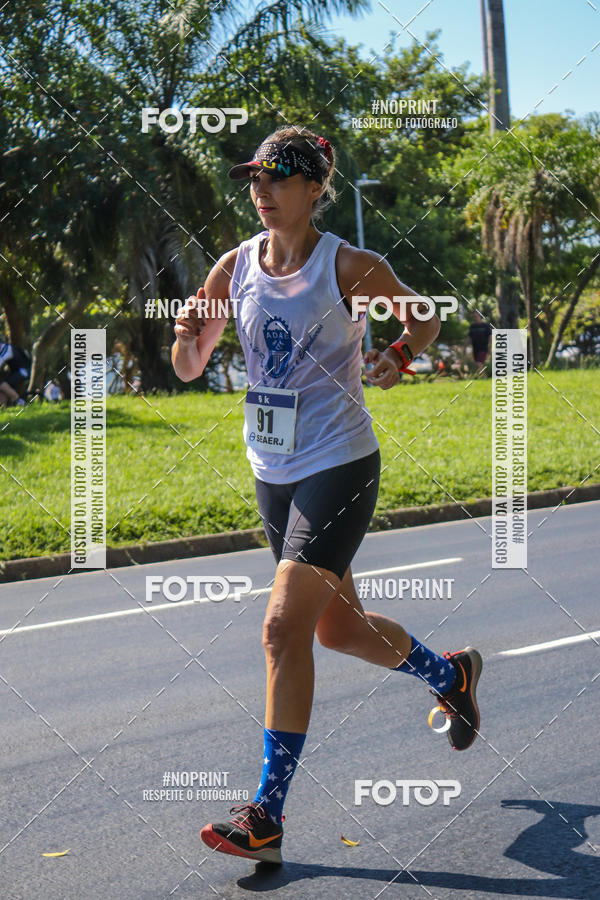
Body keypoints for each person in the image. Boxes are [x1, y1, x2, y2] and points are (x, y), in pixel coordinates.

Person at [172, 127, 482, 866]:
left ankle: (266, 815)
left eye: (279, 175)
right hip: (273, 471)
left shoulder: (347, 263)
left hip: (339, 463)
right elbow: (190, 365)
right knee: (337, 633)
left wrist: (399, 355)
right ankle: (452, 673)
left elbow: (426, 314)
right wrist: (185, 334)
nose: (262, 188)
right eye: (254, 176)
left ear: (315, 189)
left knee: (282, 629)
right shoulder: (234, 265)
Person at [0, 341, 31, 408]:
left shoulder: (7, 349)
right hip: (18, 372)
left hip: (24, 371)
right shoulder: (5, 348)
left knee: (2, 384)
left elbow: (1, 361)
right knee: (1, 388)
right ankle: (3, 408)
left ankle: (20, 402)